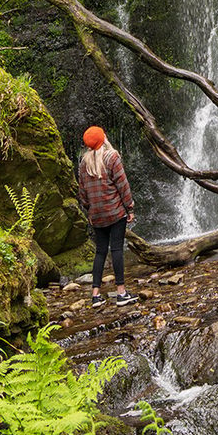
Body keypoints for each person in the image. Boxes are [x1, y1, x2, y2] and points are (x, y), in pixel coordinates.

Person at [76, 125, 135, 306]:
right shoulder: (112, 158)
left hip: (97, 216)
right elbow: (123, 185)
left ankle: (95, 295)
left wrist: (90, 210)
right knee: (116, 249)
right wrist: (130, 208)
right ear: (104, 139)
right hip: (116, 212)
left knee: (100, 251)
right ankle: (121, 293)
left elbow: (83, 193)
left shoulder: (84, 163)